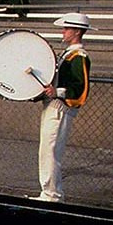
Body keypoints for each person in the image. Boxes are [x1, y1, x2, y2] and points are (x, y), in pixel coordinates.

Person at [29, 12, 91, 202]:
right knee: (46, 150)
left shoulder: (79, 56)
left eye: (67, 29)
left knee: (51, 151)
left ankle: (52, 194)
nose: (63, 32)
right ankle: (48, 192)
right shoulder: (69, 54)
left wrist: (57, 92)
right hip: (53, 106)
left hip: (60, 108)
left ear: (77, 32)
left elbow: (80, 88)